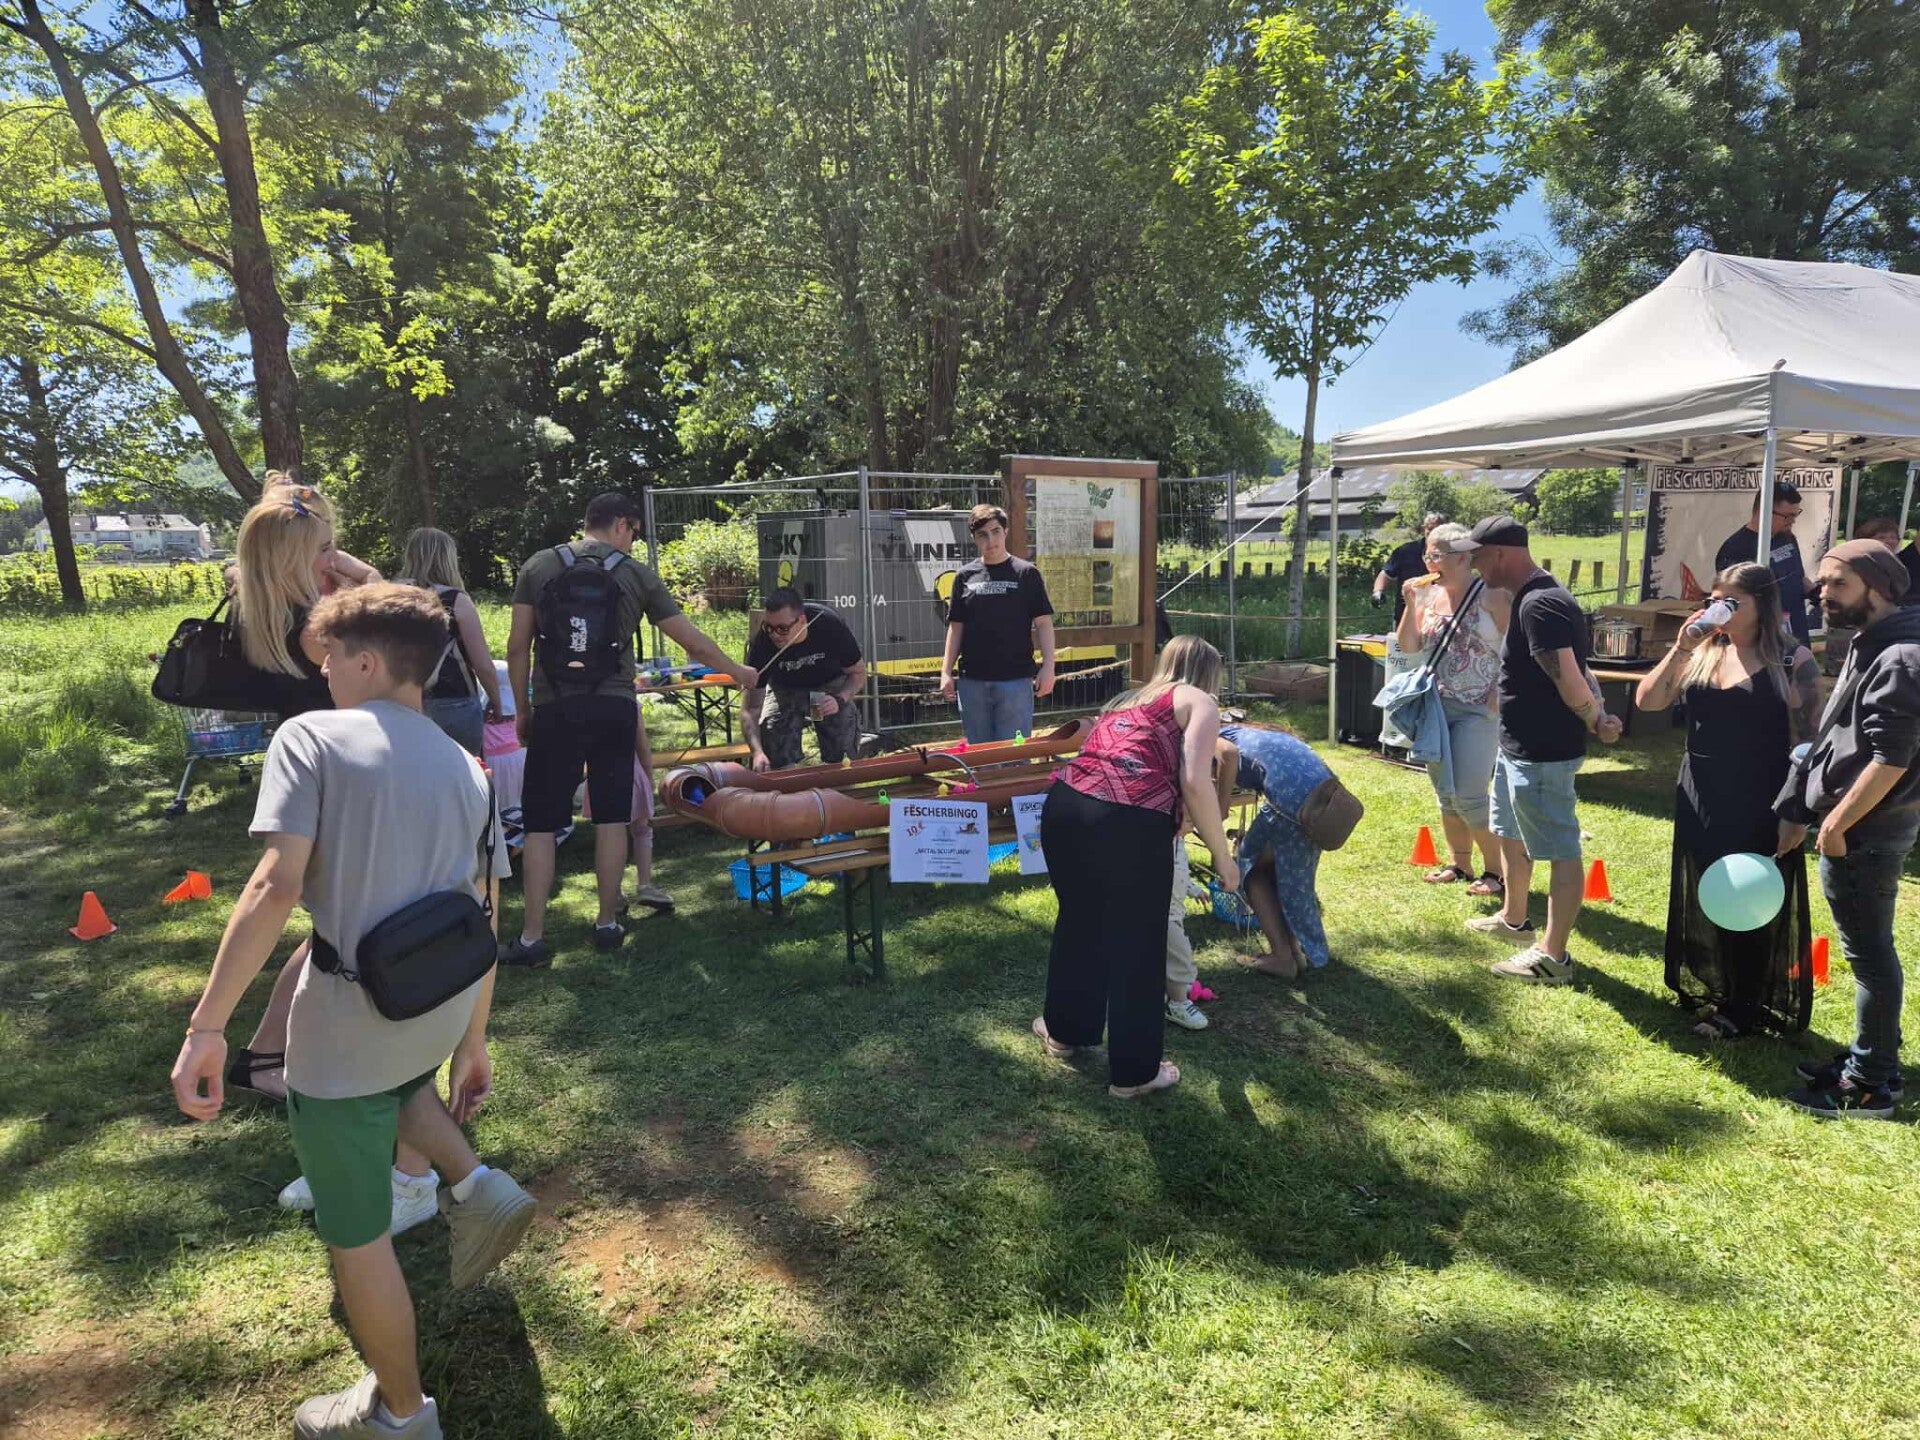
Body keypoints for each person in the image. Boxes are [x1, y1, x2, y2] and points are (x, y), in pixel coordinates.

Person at [170, 584, 533, 1440]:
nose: (323, 675)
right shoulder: (468, 766)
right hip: (435, 1007)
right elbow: (486, 915)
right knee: (398, 1083)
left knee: (356, 1237)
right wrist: (474, 1041)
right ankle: (477, 1186)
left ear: (366, 661)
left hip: (346, 1021)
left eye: (329, 659)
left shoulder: (310, 738)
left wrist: (207, 1027)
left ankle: (401, 1415)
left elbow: (275, 885)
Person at [501, 493, 756, 965]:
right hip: (614, 708)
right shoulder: (635, 574)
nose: (634, 541)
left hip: (555, 708)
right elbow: (692, 642)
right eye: (634, 532)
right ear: (621, 524)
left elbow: (517, 647)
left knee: (539, 824)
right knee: (612, 817)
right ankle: (606, 923)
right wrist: (738, 671)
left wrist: (522, 709)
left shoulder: (538, 565)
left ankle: (532, 937)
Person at [1035, 636, 1239, 1098]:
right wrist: (1222, 857)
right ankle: (1135, 1073)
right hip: (1125, 820)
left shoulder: (1127, 699)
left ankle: (1064, 1032)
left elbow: (1140, 757)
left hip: (1066, 806)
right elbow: (1195, 779)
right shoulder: (1200, 700)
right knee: (1139, 943)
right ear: (1210, 673)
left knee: (1079, 923)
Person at [1634, 564, 1813, 1038]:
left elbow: (1809, 742)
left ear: (1762, 605)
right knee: (1707, 885)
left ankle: (1745, 1005)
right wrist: (1681, 646)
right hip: (1701, 786)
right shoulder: (1702, 652)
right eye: (1715, 599)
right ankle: (1719, 987)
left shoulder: (1790, 659)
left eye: (1732, 601)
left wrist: (1797, 812)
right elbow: (1648, 702)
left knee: (1750, 893)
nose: (1720, 609)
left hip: (1761, 792)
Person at [1776, 541, 1920, 1118]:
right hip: (1864, 827)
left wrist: (1836, 823)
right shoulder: (1877, 640)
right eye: (1823, 582)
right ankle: (1875, 1056)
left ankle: (1870, 1084)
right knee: (1870, 950)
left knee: (1870, 955)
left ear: (1877, 589)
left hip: (1868, 832)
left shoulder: (1900, 655)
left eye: (1837, 583)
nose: (1821, 593)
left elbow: (1892, 758)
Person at [1460, 516, 1624, 984]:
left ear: (1502, 553)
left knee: (1560, 850)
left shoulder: (1541, 604)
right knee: (1511, 833)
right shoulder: (1531, 597)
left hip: (1544, 752)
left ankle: (1553, 957)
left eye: (1478, 556)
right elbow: (1577, 668)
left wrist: (1595, 718)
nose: (1474, 566)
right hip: (1518, 746)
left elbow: (1569, 675)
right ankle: (1514, 920)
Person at [1395, 521, 1512, 895]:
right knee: (1446, 794)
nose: (1428, 563)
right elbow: (1409, 647)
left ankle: (1497, 872)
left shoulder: (1492, 596)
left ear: (1462, 558)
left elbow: (1517, 647)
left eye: (1436, 555)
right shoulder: (1428, 597)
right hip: (1435, 707)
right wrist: (1410, 604)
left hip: (1479, 709)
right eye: (1426, 554)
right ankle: (1460, 864)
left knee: (1469, 795)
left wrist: (1500, 690)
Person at [1216, 722, 1357, 979]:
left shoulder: (1213, 736)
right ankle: (1294, 952)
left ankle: (1282, 958)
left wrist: (1220, 807)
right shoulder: (1252, 732)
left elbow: (1227, 754)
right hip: (1322, 802)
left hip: (1294, 805)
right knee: (1287, 879)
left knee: (1251, 868)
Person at [938, 503, 1056, 743]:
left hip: (1016, 682)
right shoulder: (963, 577)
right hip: (972, 683)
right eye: (982, 534)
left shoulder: (1027, 573)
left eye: (995, 532)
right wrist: (945, 672)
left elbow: (1043, 623)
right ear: (974, 538)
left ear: (1006, 532)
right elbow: (956, 627)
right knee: (981, 756)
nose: (990, 540)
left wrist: (1049, 667)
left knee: (1016, 752)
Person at [741, 588, 866, 770]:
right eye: (769, 627)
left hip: (824, 690)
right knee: (773, 732)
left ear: (801, 621)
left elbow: (858, 673)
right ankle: (786, 780)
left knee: (840, 729)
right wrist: (757, 752)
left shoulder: (828, 624)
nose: (774, 635)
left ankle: (840, 778)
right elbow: (751, 709)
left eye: (782, 629)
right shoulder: (763, 645)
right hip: (785, 689)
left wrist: (840, 699)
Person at [1714, 481, 1818, 646]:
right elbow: (1735, 602)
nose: (1793, 521)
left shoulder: (1787, 537)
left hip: (1797, 634)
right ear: (1764, 511)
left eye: (1795, 514)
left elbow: (1797, 576)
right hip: (1763, 642)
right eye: (1787, 516)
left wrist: (1817, 593)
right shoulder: (1736, 549)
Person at [1373, 511, 1446, 624]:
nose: (1434, 533)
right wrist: (1378, 591)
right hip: (1405, 616)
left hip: (1439, 617)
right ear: (1423, 529)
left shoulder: (1452, 555)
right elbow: (1386, 574)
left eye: (1439, 530)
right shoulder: (1405, 551)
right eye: (1430, 529)